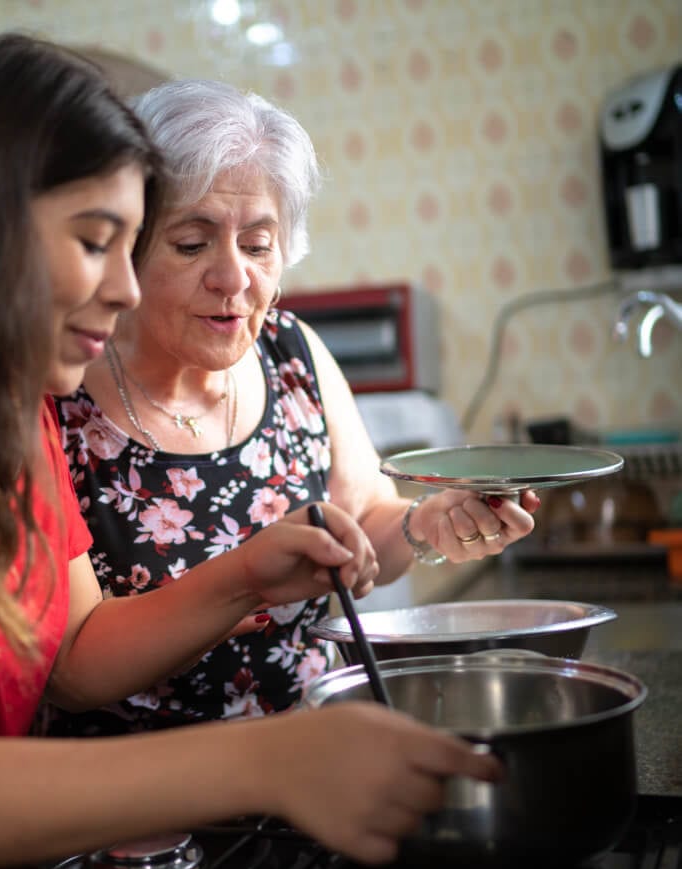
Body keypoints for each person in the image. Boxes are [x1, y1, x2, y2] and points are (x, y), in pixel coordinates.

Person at [0, 34, 504, 869]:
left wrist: (256, 576)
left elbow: (67, 655)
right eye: (99, 241)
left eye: (132, 246)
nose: (127, 288)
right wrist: (264, 762)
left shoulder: (0, 415)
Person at [48, 78, 540, 734]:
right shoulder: (60, 391)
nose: (233, 279)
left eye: (257, 246)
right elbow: (73, 669)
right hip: (145, 810)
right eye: (192, 244)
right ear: (129, 243)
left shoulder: (292, 354)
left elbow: (361, 521)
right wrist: (245, 578)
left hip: (312, 768)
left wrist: (428, 524)